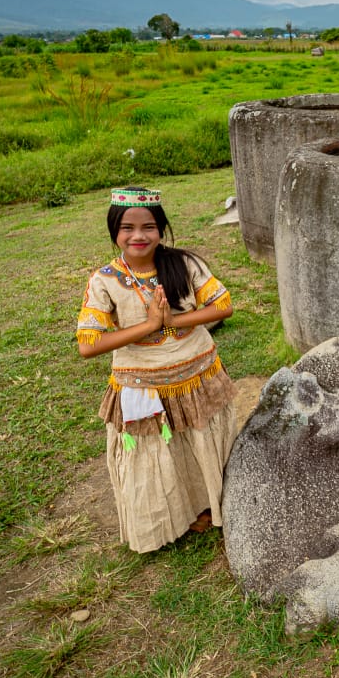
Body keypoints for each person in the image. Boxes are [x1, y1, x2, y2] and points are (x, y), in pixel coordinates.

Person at [75, 186, 238, 553]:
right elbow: (88, 345)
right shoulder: (104, 281)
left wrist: (177, 320)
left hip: (196, 375)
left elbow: (222, 305)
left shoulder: (184, 263)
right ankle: (174, 518)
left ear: (161, 229)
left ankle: (210, 503)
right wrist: (149, 326)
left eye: (148, 227)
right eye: (127, 228)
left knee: (199, 439)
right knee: (159, 453)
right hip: (143, 387)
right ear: (114, 232)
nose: (138, 236)